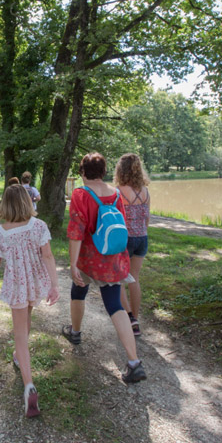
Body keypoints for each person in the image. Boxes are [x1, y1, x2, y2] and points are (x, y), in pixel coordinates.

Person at [62, 152, 147, 384]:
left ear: (82, 172)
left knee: (78, 292)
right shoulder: (115, 193)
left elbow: (76, 231)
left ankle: (75, 332)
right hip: (111, 259)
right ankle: (134, 362)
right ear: (103, 172)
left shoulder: (80, 194)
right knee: (115, 305)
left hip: (88, 259)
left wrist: (73, 263)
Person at [0, 184, 59, 417]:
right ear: (27, 201)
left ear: (6, 204)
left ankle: (28, 385)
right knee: (26, 320)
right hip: (35, 282)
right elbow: (48, 255)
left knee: (20, 335)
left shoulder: (3, 232)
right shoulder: (39, 225)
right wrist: (54, 285)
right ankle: (18, 356)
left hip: (17, 286)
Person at [115, 153, 151, 337]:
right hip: (142, 238)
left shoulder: (118, 192)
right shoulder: (145, 192)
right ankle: (135, 318)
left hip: (125, 239)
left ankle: (129, 317)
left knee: (120, 278)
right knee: (134, 278)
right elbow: (147, 219)